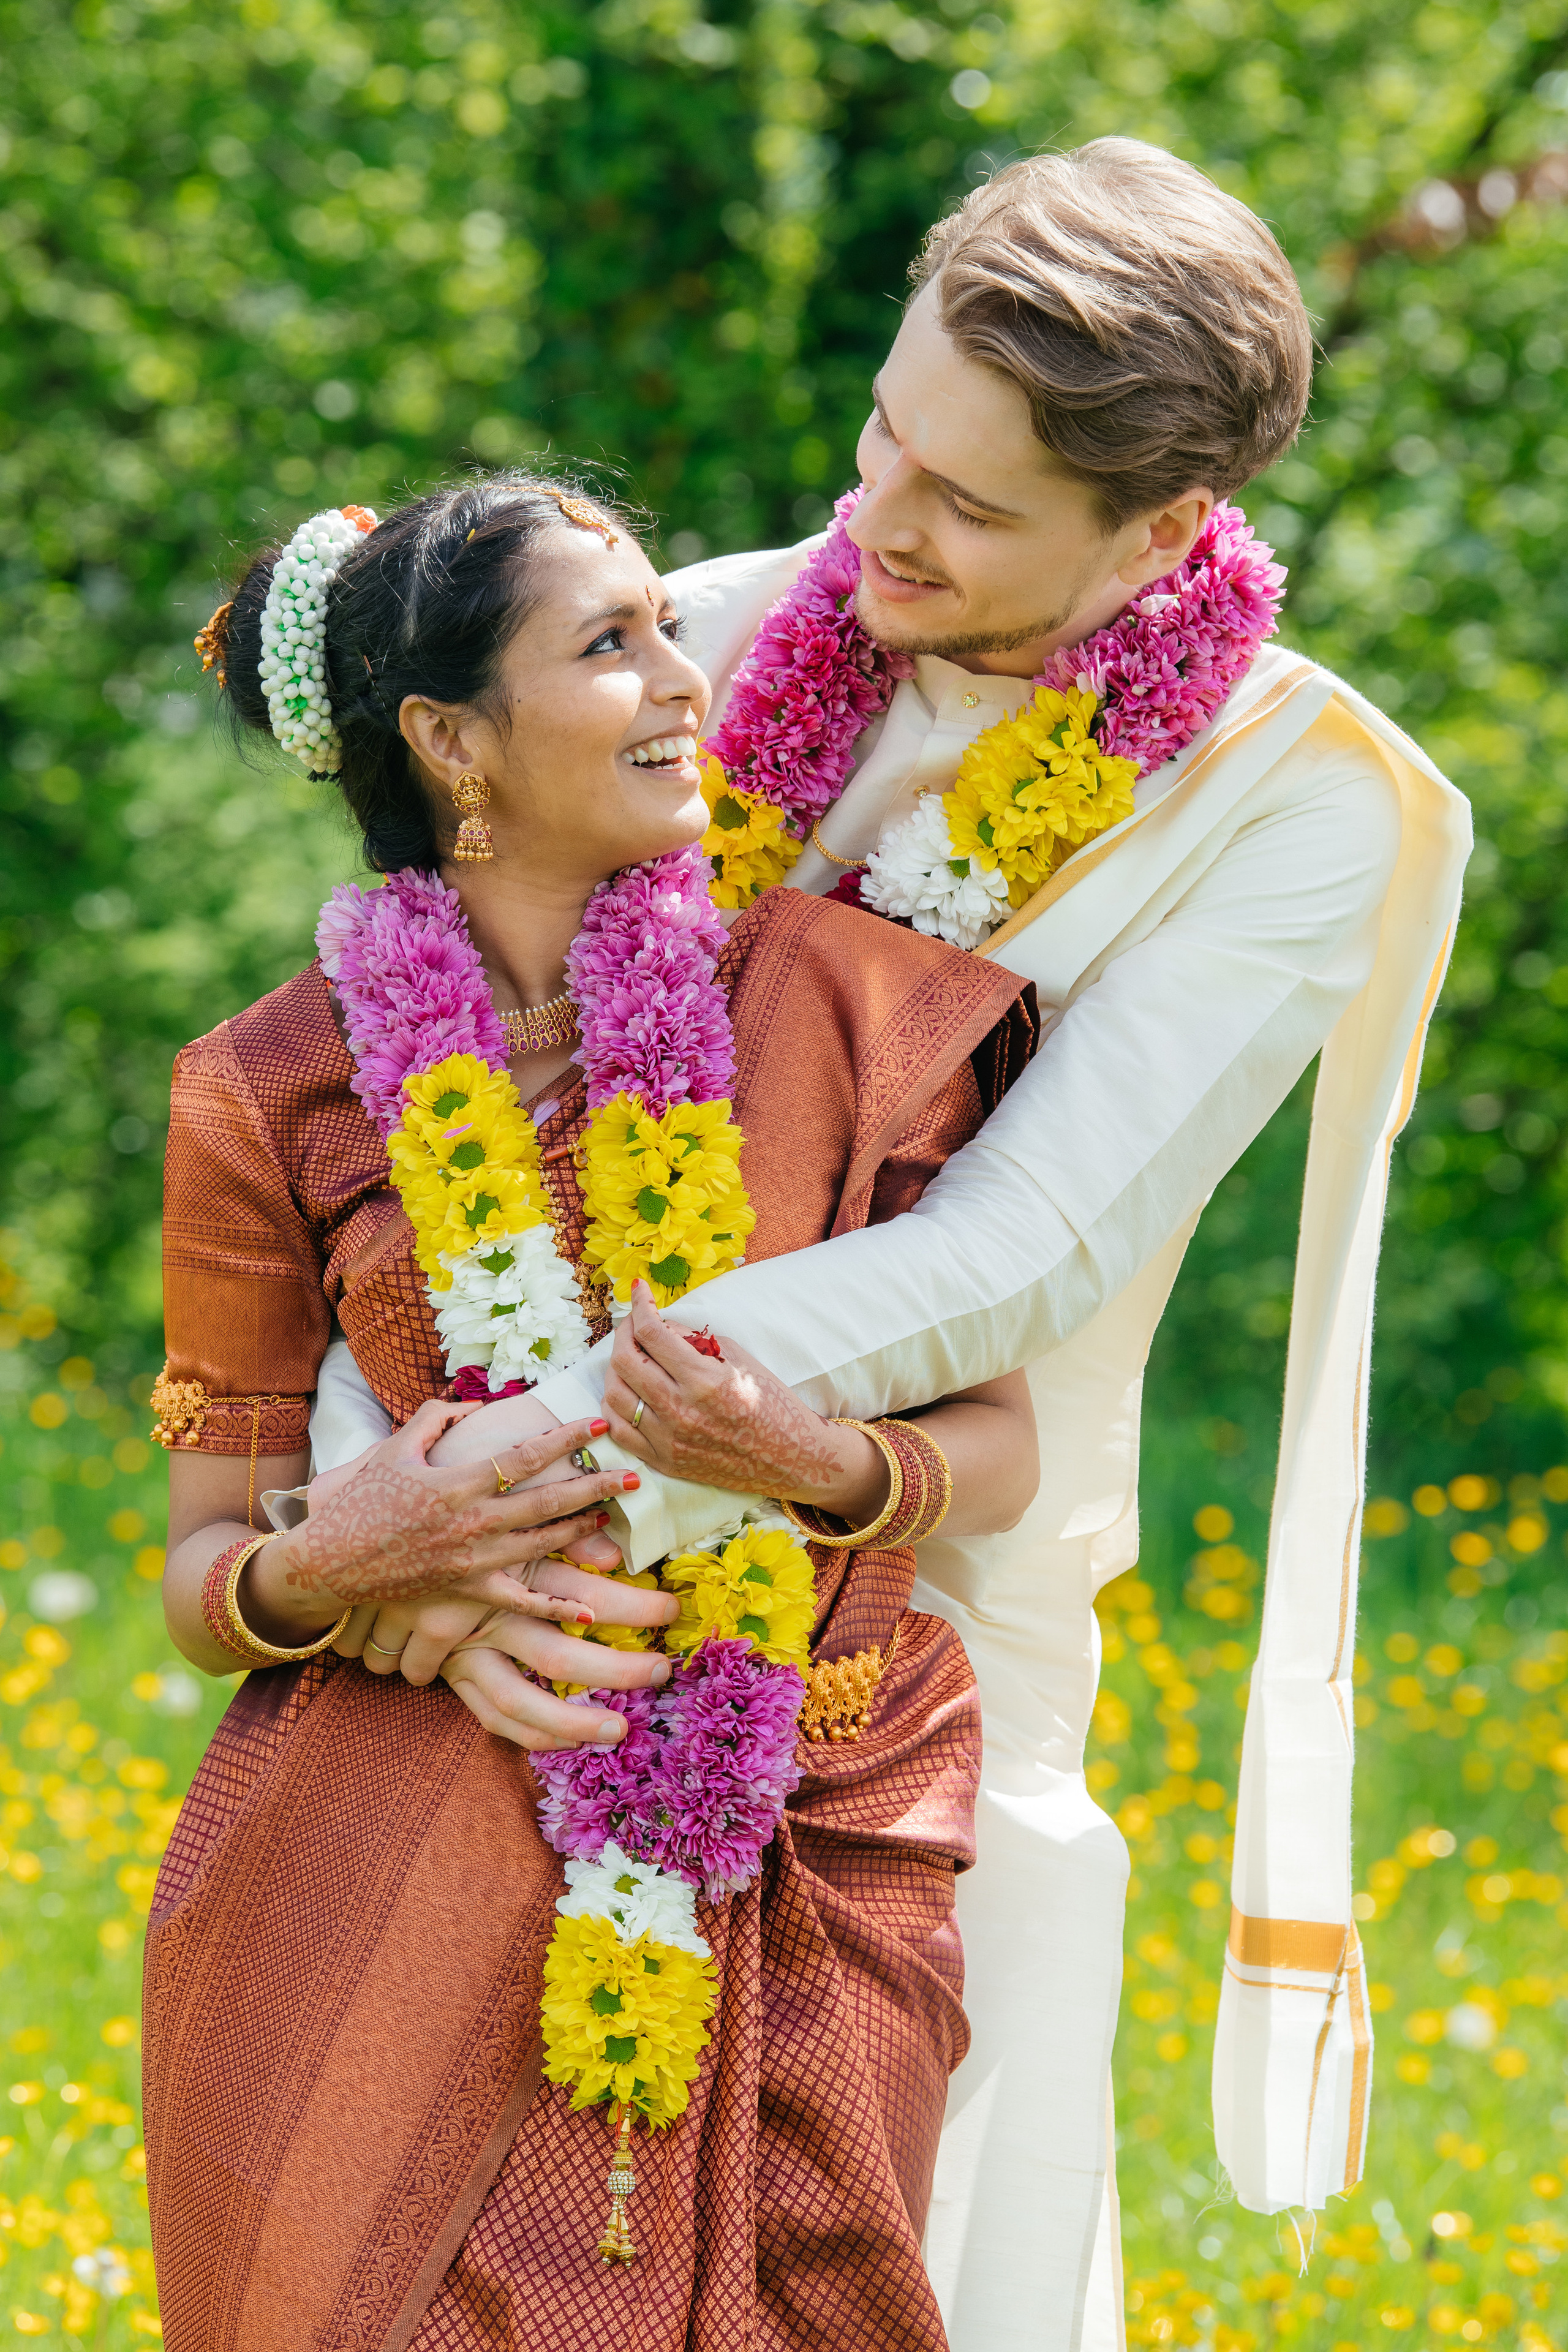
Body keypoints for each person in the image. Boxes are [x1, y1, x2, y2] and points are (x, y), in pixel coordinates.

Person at [310, 138, 1472, 2348]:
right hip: (517, 1586)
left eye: (975, 503)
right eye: (882, 435)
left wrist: (526, 1461)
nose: (887, 524)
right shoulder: (729, 631)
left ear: (1164, 531)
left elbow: (1026, 1243)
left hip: (943, 1596)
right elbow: (411, 1081)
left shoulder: (1293, 800)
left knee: (928, 2242)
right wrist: (405, 1519)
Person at [147, 472, 1046, 2351]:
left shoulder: (846, 1001)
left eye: (671, 623)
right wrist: (355, 1556)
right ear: (448, 740)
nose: (680, 678)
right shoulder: (268, 1088)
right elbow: (203, 1567)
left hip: (807, 1797)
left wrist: (813, 1467)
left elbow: (998, 1452)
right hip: (394, 1823)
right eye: (611, 643)